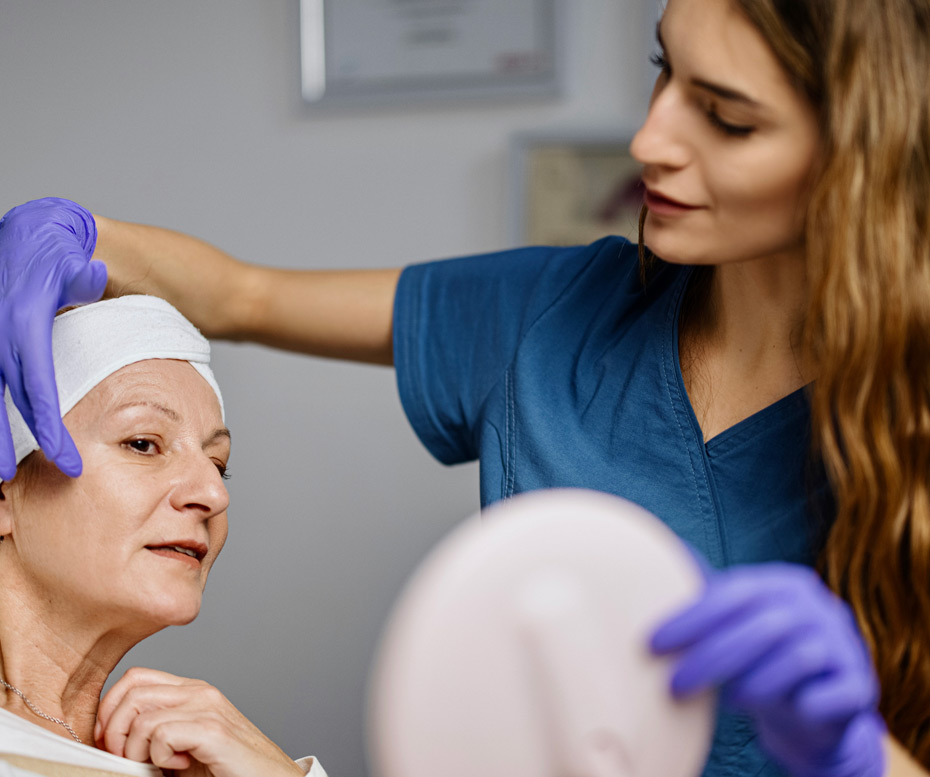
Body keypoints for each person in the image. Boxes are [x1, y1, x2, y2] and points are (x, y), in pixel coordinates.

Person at [0, 0, 927, 774]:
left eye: (726, 116)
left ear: (861, 157)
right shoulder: (552, 315)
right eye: (662, 68)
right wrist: (78, 234)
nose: (650, 136)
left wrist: (870, 761)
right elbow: (244, 294)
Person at [0, 296, 327, 777]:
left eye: (218, 464)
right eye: (143, 444)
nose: (214, 493)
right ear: (4, 497)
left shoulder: (193, 762)